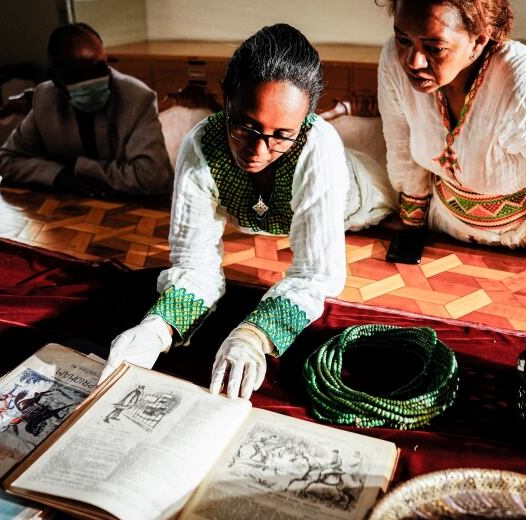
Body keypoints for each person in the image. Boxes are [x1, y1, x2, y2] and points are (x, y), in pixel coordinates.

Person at [100, 24, 395, 398]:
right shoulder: (202, 146)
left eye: (281, 135)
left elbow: (316, 273)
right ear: (226, 101)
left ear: (304, 121)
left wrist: (254, 334)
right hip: (277, 221)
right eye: (245, 126)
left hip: (364, 200)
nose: (258, 151)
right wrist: (158, 328)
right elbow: (195, 263)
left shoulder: (317, 148)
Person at [377, 0, 526, 267]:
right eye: (403, 40)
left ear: (478, 41)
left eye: (434, 48)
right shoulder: (394, 62)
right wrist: (411, 228)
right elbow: (400, 146)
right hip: (442, 236)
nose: (413, 61)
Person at [0, 23, 171, 197]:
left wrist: (77, 166)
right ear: (56, 80)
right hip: (69, 209)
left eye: (99, 68)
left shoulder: (137, 98)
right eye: (77, 74)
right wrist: (59, 175)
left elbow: (152, 178)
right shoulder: (45, 97)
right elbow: (6, 160)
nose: (92, 80)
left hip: (135, 208)